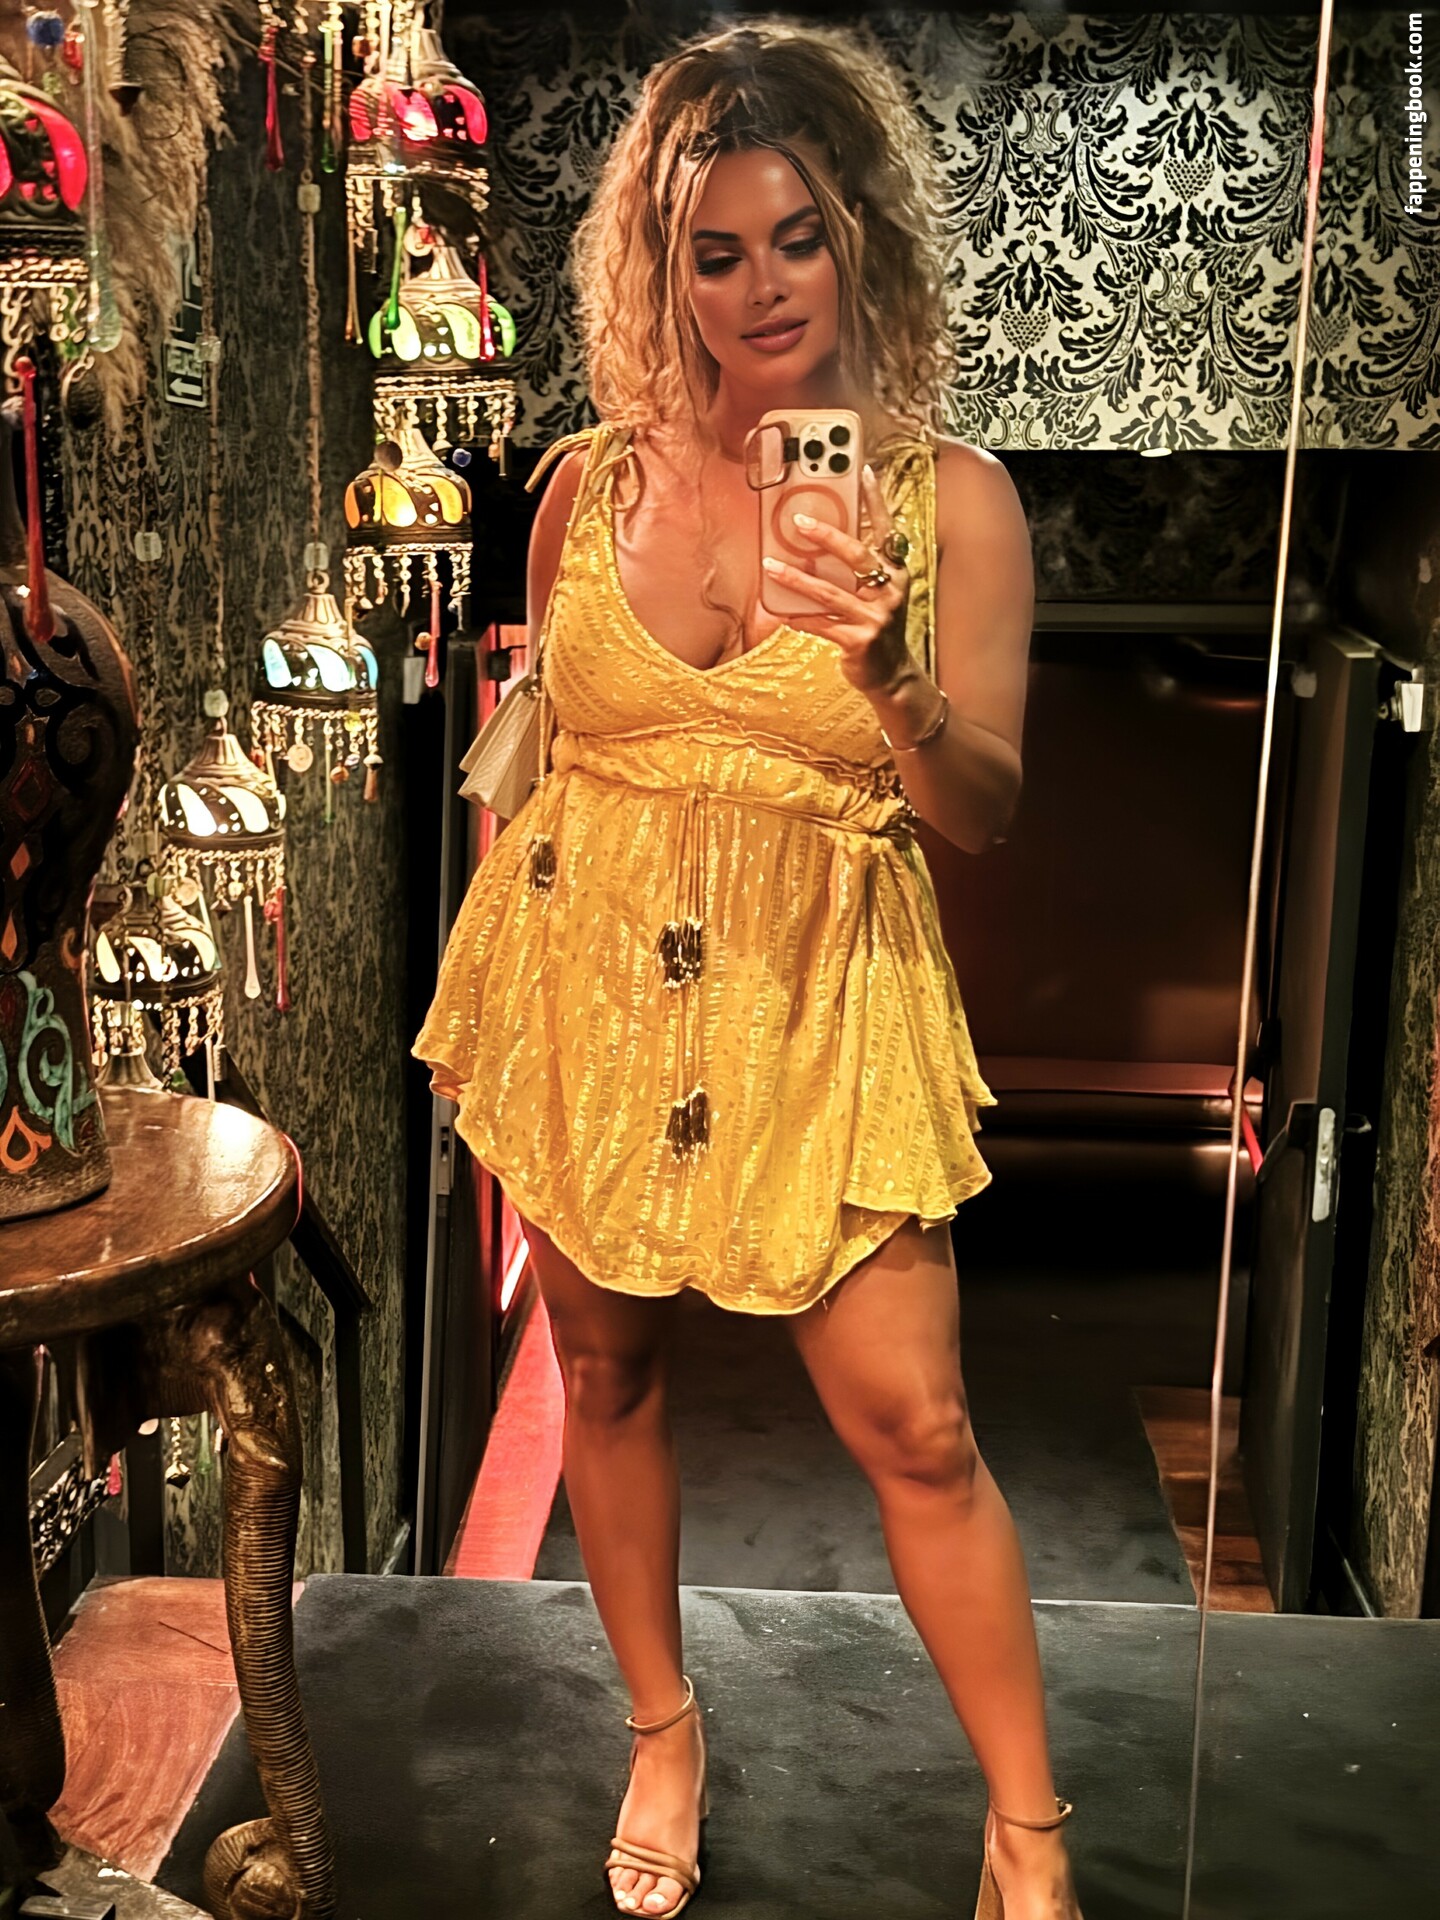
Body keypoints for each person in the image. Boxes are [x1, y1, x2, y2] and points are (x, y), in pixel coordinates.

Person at [414, 20, 1080, 1920]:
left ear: (860, 234)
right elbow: (545, 745)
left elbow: (981, 813)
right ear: (666, 267)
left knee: (919, 1427)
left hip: (822, 1001)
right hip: (597, 984)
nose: (762, 289)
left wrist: (890, 674)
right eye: (716, 253)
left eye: (798, 239)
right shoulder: (585, 486)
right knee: (604, 1374)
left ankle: (1029, 1832)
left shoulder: (951, 502)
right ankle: (662, 1730)